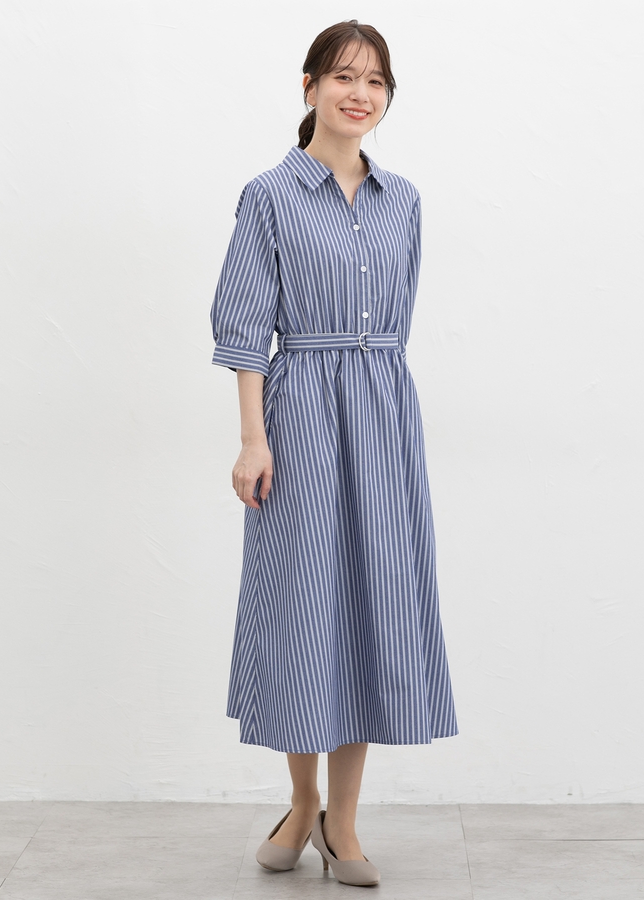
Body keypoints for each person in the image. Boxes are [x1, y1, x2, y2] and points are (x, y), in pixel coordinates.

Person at [210, 19, 458, 887]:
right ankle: (301, 800)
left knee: (370, 608)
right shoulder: (268, 196)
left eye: (376, 81)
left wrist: (379, 400)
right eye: (345, 76)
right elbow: (245, 329)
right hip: (301, 417)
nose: (361, 94)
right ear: (310, 86)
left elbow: (399, 317)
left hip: (383, 415)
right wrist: (253, 440)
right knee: (304, 611)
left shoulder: (405, 201)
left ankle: (343, 823)